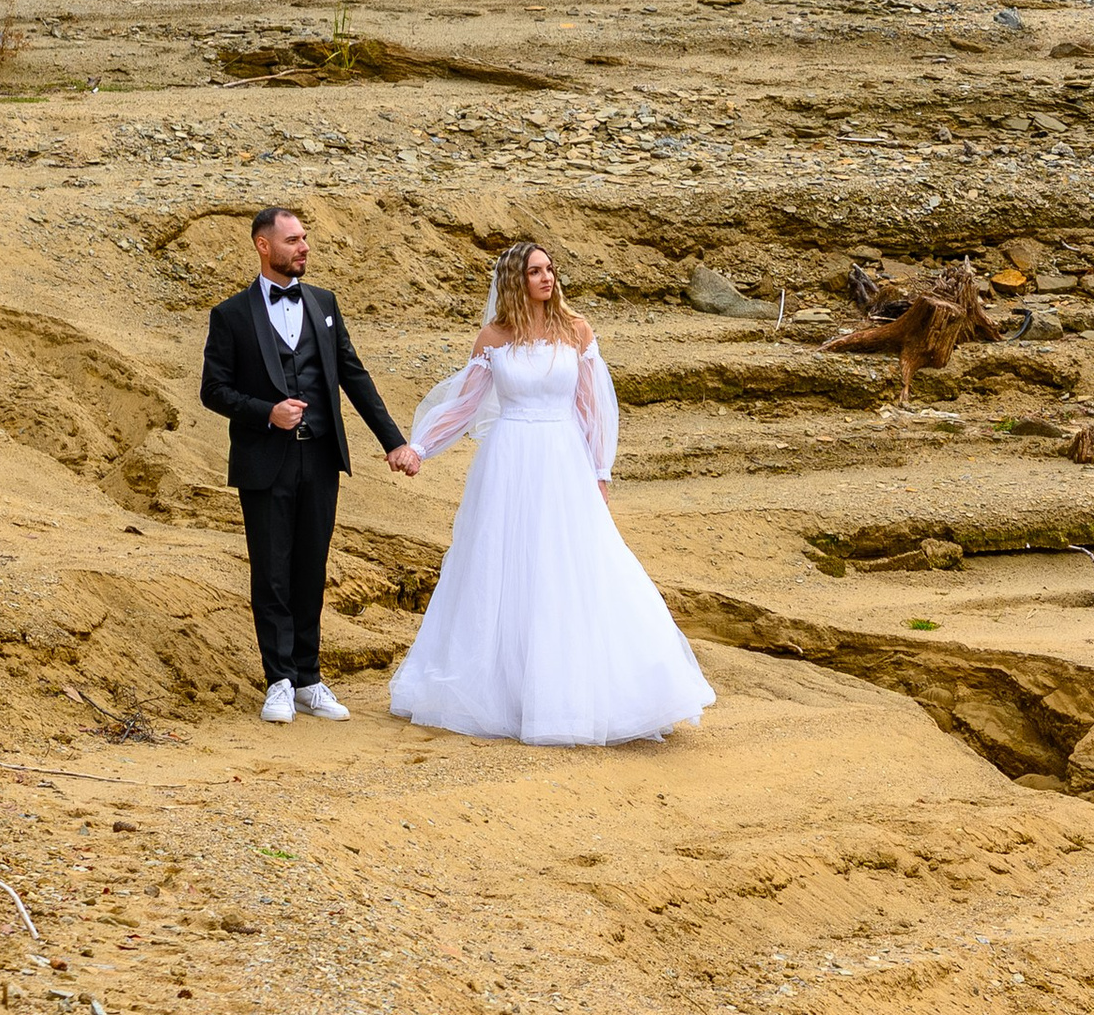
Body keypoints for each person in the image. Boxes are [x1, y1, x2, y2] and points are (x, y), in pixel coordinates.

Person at [390, 239, 712, 746]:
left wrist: (600, 470)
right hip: (509, 459)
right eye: (536, 271)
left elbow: (593, 406)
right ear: (516, 280)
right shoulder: (492, 337)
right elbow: (465, 405)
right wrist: (420, 447)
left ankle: (580, 692)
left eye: (550, 269)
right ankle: (508, 693)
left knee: (572, 565)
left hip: (563, 462)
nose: (548, 278)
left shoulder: (576, 331)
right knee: (501, 566)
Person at [199, 206, 420, 725]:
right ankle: (278, 681)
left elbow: (352, 375)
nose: (303, 248)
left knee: (310, 569)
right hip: (265, 459)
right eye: (293, 240)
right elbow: (213, 390)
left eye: (305, 239)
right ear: (263, 246)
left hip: (319, 455)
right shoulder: (230, 315)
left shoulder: (323, 303)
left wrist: (393, 442)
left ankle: (308, 679)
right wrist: (266, 412)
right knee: (271, 572)